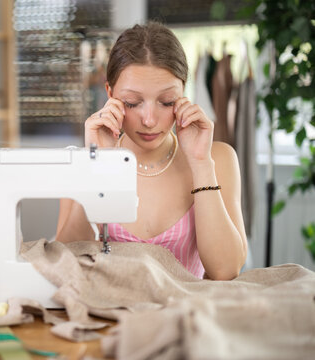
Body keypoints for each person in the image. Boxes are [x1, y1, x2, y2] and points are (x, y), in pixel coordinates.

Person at [55, 22, 247, 280]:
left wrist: (200, 163)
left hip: (185, 317)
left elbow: (225, 271)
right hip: (112, 316)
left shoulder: (219, 158)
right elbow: (65, 264)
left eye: (166, 102)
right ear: (110, 93)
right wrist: (96, 165)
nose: (149, 119)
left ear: (183, 93)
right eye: (133, 103)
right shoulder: (81, 163)